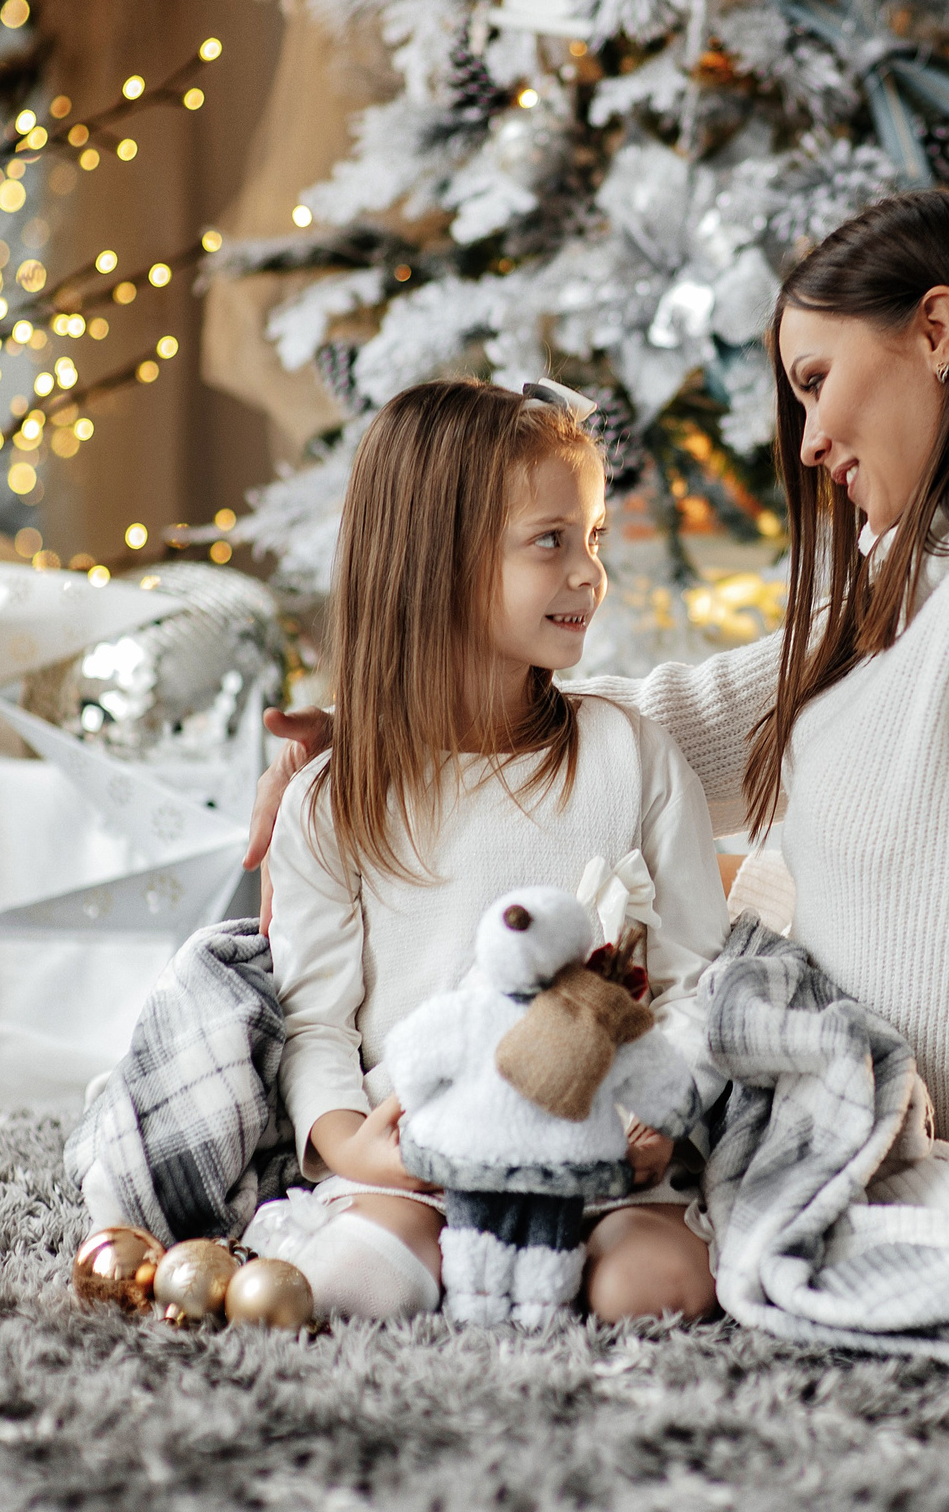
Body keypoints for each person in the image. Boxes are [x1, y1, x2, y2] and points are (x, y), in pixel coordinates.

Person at [249, 188, 949, 1242]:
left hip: (900, 1151)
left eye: (815, 382)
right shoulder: (931, 567)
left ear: (935, 332)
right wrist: (400, 727)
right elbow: (689, 720)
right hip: (799, 1098)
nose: (805, 443)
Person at [257, 378, 727, 1322]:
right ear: (437, 559)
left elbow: (694, 982)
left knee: (657, 1290)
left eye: (592, 538)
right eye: (551, 540)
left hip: (601, 1158)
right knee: (358, 1289)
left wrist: (656, 1120)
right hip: (422, 1158)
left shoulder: (629, 758)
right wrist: (353, 1147)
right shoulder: (333, 802)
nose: (590, 574)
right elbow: (315, 1025)